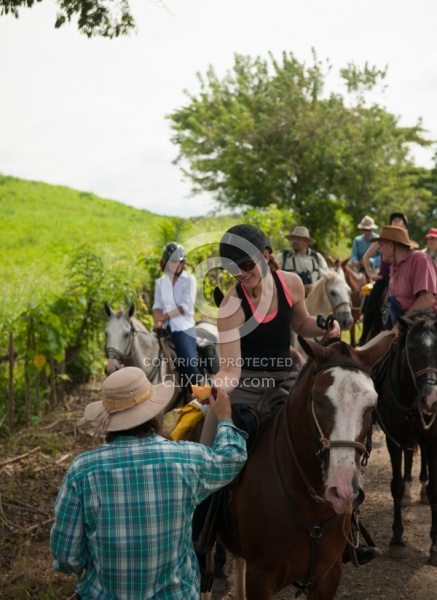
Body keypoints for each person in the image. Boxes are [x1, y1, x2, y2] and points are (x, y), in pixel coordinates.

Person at [50, 366, 247, 600]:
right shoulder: (187, 458)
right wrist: (224, 417)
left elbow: (66, 558)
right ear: (153, 413)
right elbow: (232, 458)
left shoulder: (82, 470)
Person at [365, 225, 437, 342]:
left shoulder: (419, 259)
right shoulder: (394, 267)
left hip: (427, 324)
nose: (379, 250)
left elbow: (427, 299)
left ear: (391, 245)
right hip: (402, 324)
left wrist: (401, 324)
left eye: (380, 245)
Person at [153, 242, 199, 391]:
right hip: (164, 327)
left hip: (183, 328)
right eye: (174, 261)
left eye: (180, 261)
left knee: (190, 364)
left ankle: (197, 395)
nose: (178, 264)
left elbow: (184, 308)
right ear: (165, 262)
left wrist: (162, 318)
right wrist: (157, 320)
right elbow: (157, 306)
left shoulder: (189, 280)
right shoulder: (160, 283)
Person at [359, 213, 409, 346]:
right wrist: (371, 275)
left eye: (400, 219)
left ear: (405, 225)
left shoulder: (406, 240)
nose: (396, 221)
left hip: (400, 279)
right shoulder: (384, 238)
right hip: (384, 278)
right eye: (394, 219)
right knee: (371, 302)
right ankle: (365, 336)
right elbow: (366, 257)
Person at [276, 225, 329, 296]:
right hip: (289, 298)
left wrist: (314, 286)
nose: (295, 241)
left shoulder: (317, 257)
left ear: (307, 241)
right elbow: (273, 275)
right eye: (293, 238)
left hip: (312, 298)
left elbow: (327, 277)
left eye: (298, 239)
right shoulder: (283, 256)